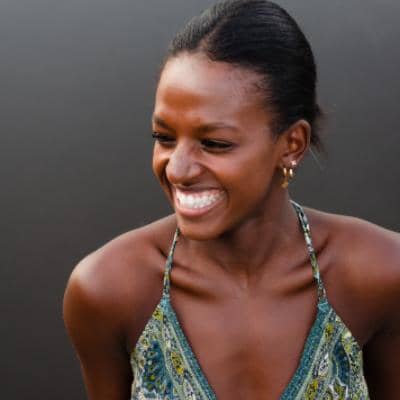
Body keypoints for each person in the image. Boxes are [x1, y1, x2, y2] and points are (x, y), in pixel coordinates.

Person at [63, 1, 400, 399]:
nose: (177, 169)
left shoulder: (378, 274)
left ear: (292, 144)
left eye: (215, 143)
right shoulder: (109, 290)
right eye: (164, 138)